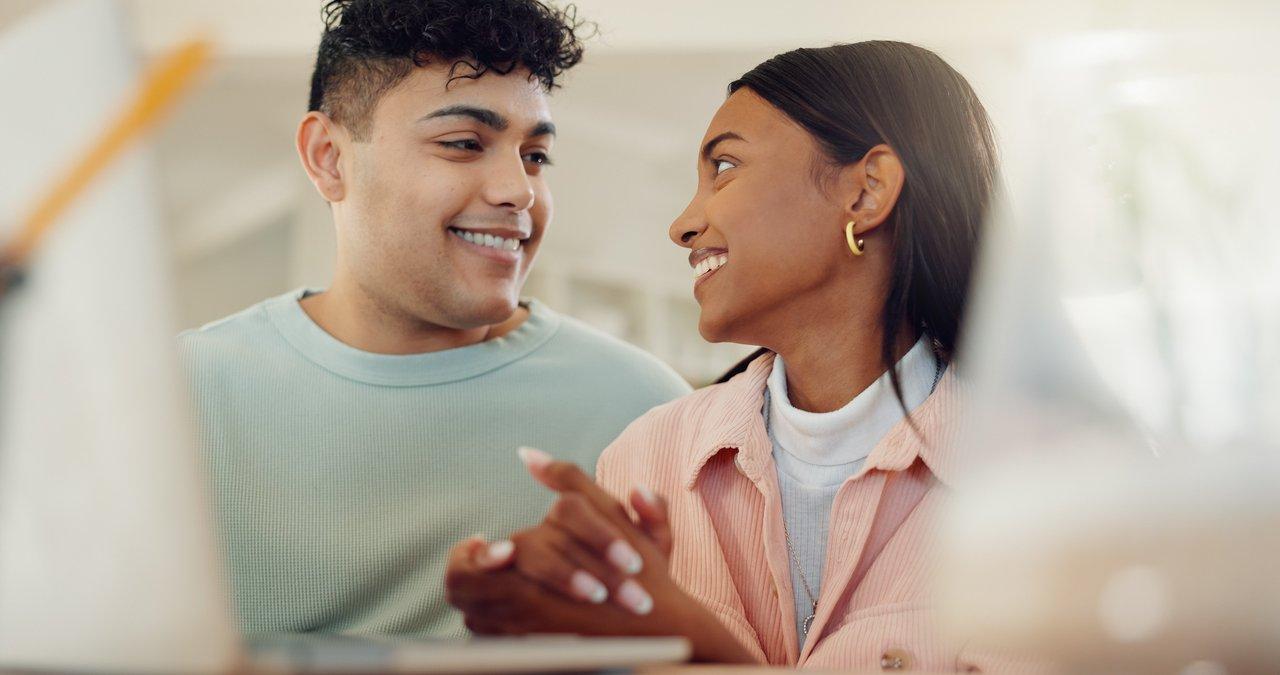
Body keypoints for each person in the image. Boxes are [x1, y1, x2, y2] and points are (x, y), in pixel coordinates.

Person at [445, 41, 1037, 671]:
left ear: (866, 193)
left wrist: (695, 644)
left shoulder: (1049, 473)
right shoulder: (649, 456)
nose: (682, 224)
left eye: (723, 167)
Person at [178, 0, 690, 638]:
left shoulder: (644, 411)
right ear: (329, 158)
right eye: (464, 144)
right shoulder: (174, 395)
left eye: (535, 155)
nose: (518, 191)